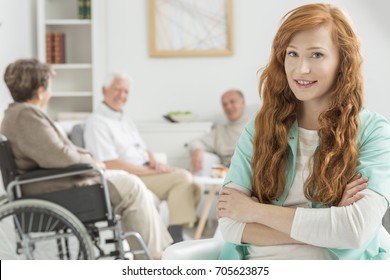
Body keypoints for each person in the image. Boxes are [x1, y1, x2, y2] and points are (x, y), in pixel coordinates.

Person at [217, 3, 390, 260]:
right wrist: (325, 225)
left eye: (317, 55)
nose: (301, 69)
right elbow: (229, 223)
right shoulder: (259, 127)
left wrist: (254, 212)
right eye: (292, 54)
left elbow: (354, 230)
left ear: (343, 61)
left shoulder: (374, 131)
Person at [0, 58, 173, 259]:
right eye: (49, 86)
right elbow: (60, 156)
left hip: (54, 185)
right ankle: (151, 258)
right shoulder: (26, 116)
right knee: (131, 186)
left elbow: (61, 151)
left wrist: (88, 159)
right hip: (58, 189)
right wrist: (92, 162)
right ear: (40, 90)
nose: (50, 91)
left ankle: (156, 253)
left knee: (129, 182)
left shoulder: (19, 113)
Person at [84, 73, 203, 243]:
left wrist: (154, 162)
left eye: (126, 91)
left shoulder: (125, 119)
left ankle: (175, 231)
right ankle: (176, 239)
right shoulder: (97, 123)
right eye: (117, 89)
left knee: (195, 184)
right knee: (183, 178)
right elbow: (109, 163)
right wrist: (147, 170)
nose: (122, 95)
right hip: (128, 177)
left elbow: (143, 149)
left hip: (145, 171)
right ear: (104, 91)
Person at [189, 89, 250, 175]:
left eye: (232, 101)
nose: (228, 107)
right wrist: (197, 151)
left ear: (243, 103)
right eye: (224, 104)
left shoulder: (258, 125)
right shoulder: (220, 130)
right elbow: (196, 142)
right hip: (228, 172)